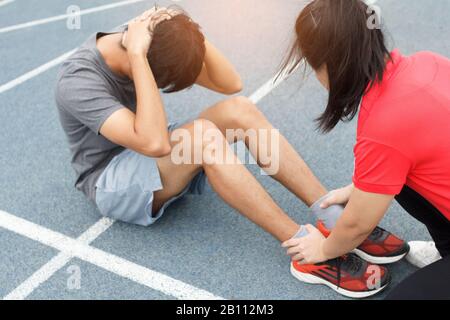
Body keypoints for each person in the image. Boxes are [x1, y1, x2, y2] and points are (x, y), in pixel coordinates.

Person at [55, 6, 406, 298]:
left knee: (240, 110)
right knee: (205, 137)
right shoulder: (78, 80)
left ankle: (330, 213)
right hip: (112, 179)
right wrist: (138, 57)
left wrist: (188, 28)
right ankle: (305, 251)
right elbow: (156, 144)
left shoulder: (149, 36)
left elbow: (230, 84)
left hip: (152, 146)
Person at [279, 0, 450, 299]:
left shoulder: (385, 123)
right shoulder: (427, 61)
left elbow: (357, 224)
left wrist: (324, 248)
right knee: (405, 183)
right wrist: (362, 187)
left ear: (331, 63)